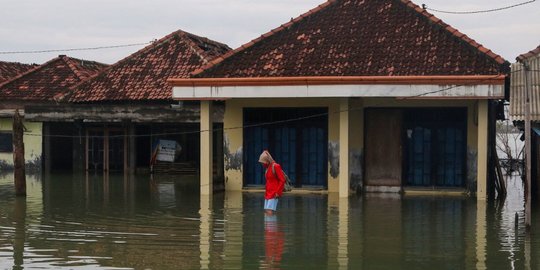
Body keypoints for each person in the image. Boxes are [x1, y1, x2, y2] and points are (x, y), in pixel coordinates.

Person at [258, 150, 285, 215]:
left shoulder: (275, 166)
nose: (262, 164)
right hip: (268, 192)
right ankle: (269, 224)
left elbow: (282, 180)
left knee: (269, 211)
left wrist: (278, 192)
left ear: (267, 161)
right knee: (266, 211)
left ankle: (271, 224)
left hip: (274, 193)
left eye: (263, 162)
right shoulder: (267, 168)